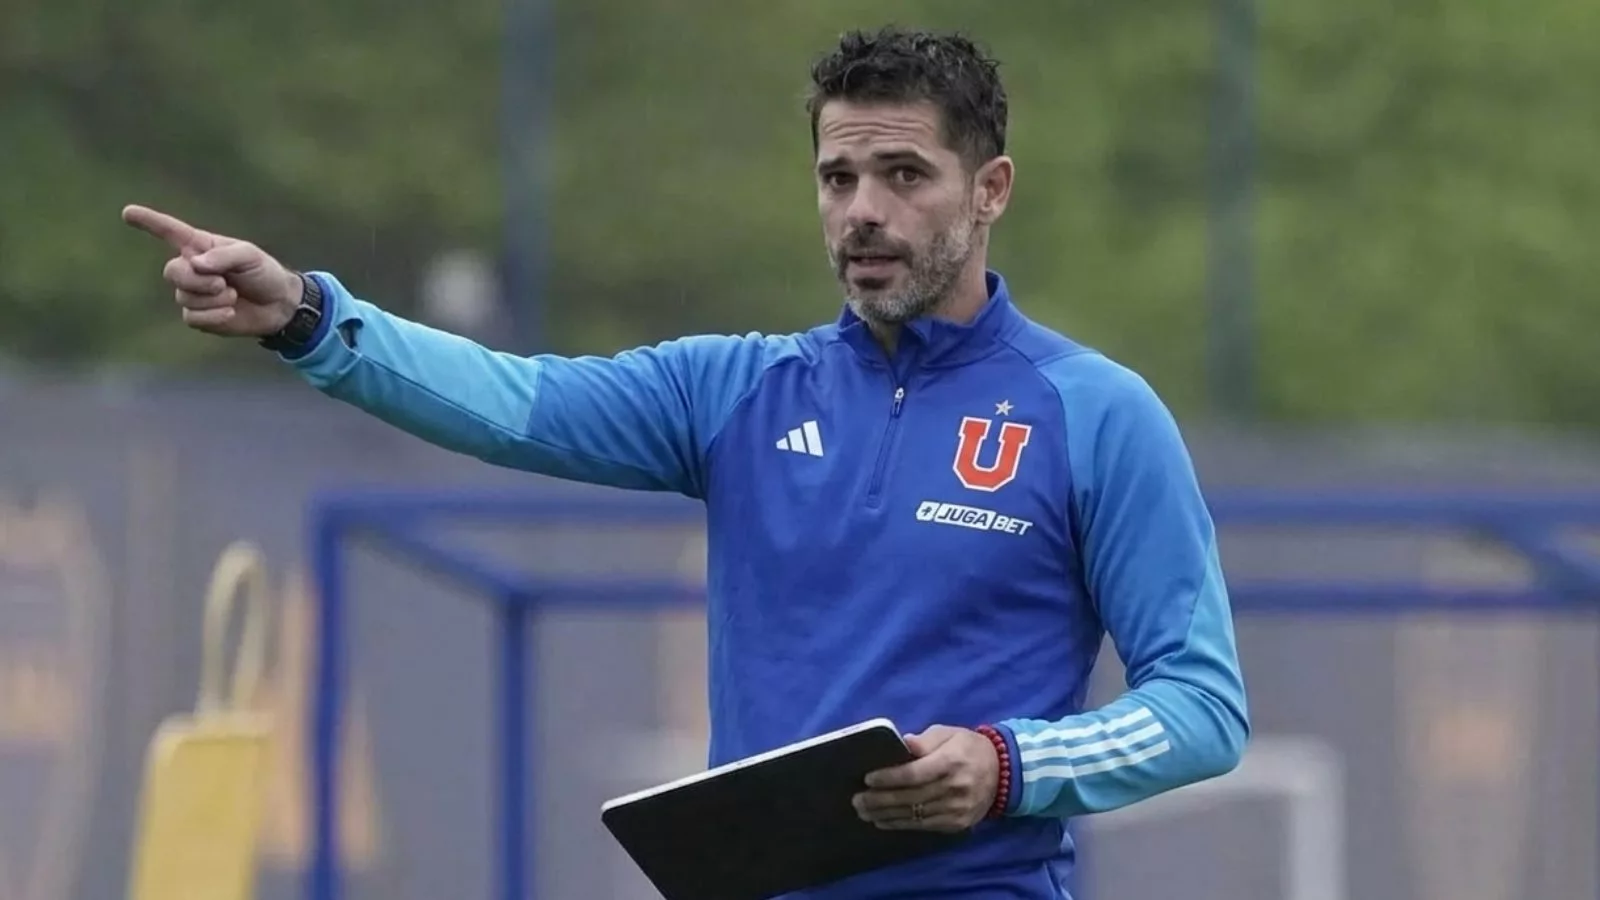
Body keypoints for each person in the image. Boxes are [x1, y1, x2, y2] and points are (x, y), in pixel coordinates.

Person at [123, 25, 1248, 899]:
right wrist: (312, 317)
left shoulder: (1097, 413)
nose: (861, 211)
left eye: (904, 175)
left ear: (989, 190)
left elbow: (1200, 705)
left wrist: (1006, 766)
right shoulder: (737, 388)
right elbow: (517, 404)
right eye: (836, 178)